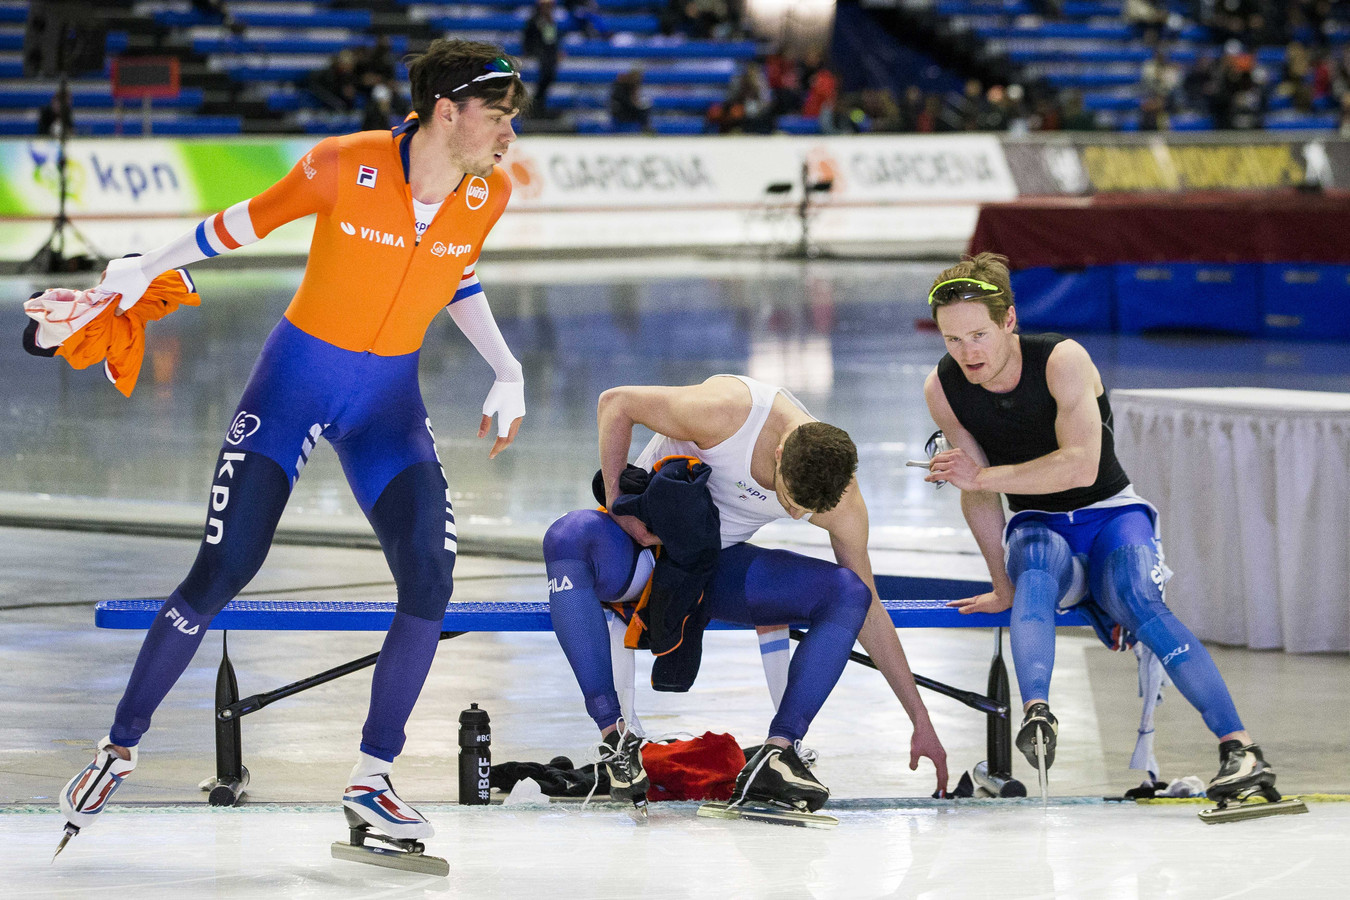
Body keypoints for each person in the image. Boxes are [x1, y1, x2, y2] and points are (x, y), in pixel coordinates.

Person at [46, 39, 527, 852]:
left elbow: (458, 274)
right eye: (499, 115)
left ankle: (372, 777)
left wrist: (507, 366)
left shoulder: (489, 191)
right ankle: (118, 748)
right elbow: (240, 223)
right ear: (448, 111)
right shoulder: (347, 164)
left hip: (387, 406)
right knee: (224, 569)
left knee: (431, 576)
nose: (511, 133)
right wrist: (143, 269)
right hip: (294, 386)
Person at [920, 252, 1281, 803]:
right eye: (952, 341)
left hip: (1111, 510)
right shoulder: (942, 388)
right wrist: (1001, 583)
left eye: (978, 335)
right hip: (1039, 521)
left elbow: (1081, 464)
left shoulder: (1063, 360)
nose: (967, 353)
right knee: (1032, 576)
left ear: (1010, 321)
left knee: (1139, 596)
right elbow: (977, 492)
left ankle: (1241, 749)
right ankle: (1038, 713)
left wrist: (985, 473)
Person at [543, 375, 949, 814]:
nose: (795, 513)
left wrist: (919, 717)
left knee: (849, 592)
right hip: (640, 552)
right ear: (779, 453)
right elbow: (614, 402)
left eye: (808, 511)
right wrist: (620, 507)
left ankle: (778, 753)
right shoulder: (728, 411)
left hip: (711, 568)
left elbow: (870, 610)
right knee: (568, 536)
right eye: (790, 499)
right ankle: (615, 739)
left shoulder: (841, 497)